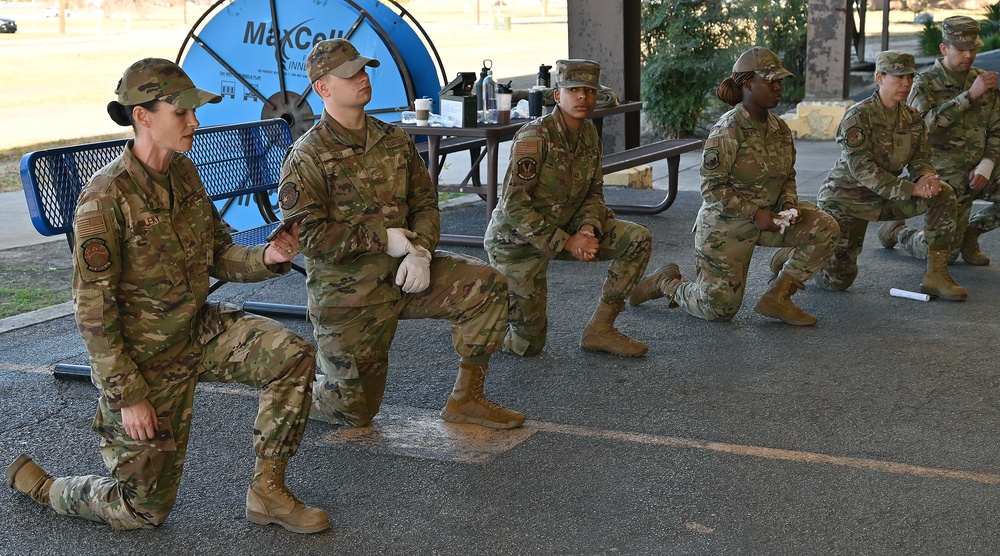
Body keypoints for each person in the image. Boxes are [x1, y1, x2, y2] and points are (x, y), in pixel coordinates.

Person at [4, 59, 329, 533]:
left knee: (292, 356)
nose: (195, 122)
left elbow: (218, 252)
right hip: (144, 358)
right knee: (142, 511)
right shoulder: (105, 198)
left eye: (193, 112)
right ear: (143, 116)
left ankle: (268, 492)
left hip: (196, 329)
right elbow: (93, 313)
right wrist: (128, 394)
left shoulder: (184, 173)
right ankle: (46, 488)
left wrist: (269, 257)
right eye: (182, 113)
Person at [277, 39, 524, 430]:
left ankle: (467, 398)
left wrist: (421, 252)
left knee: (487, 285)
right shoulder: (307, 155)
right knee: (355, 413)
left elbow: (426, 203)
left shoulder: (393, 139)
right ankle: (302, 387)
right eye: (350, 74)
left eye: (363, 70)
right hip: (350, 294)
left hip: (406, 275)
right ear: (323, 88)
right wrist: (382, 239)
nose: (362, 78)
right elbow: (306, 235)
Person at [629, 47, 839, 325]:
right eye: (770, 81)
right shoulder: (728, 129)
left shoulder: (780, 129)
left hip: (772, 218)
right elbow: (712, 187)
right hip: (727, 225)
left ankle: (779, 297)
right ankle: (668, 283)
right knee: (719, 310)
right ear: (748, 83)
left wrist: (788, 204)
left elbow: (787, 175)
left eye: (780, 81)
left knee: (825, 228)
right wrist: (754, 213)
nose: (778, 87)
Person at [484, 59, 653, 357]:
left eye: (589, 91)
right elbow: (514, 204)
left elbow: (594, 192)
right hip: (518, 243)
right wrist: (568, 241)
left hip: (568, 229)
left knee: (637, 239)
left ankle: (601, 328)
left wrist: (589, 227)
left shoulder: (589, 135)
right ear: (558, 95)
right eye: (573, 89)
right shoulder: (534, 137)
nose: (582, 97)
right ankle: (484, 315)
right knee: (528, 344)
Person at [813, 50, 966, 301]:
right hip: (847, 200)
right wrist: (911, 189)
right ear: (879, 78)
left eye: (909, 76)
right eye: (897, 77)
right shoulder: (858, 116)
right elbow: (863, 170)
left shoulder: (912, 117)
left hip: (887, 196)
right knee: (837, 281)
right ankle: (800, 255)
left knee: (943, 194)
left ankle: (935, 276)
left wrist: (927, 179)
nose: (905, 83)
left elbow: (920, 159)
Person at [880, 16, 1000, 266]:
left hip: (980, 168)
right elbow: (924, 127)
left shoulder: (984, 81)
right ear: (944, 49)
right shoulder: (923, 83)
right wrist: (970, 96)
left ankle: (970, 233)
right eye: (961, 49)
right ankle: (899, 232)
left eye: (973, 48)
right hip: (942, 173)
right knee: (943, 256)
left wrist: (987, 164)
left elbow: (997, 129)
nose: (968, 55)